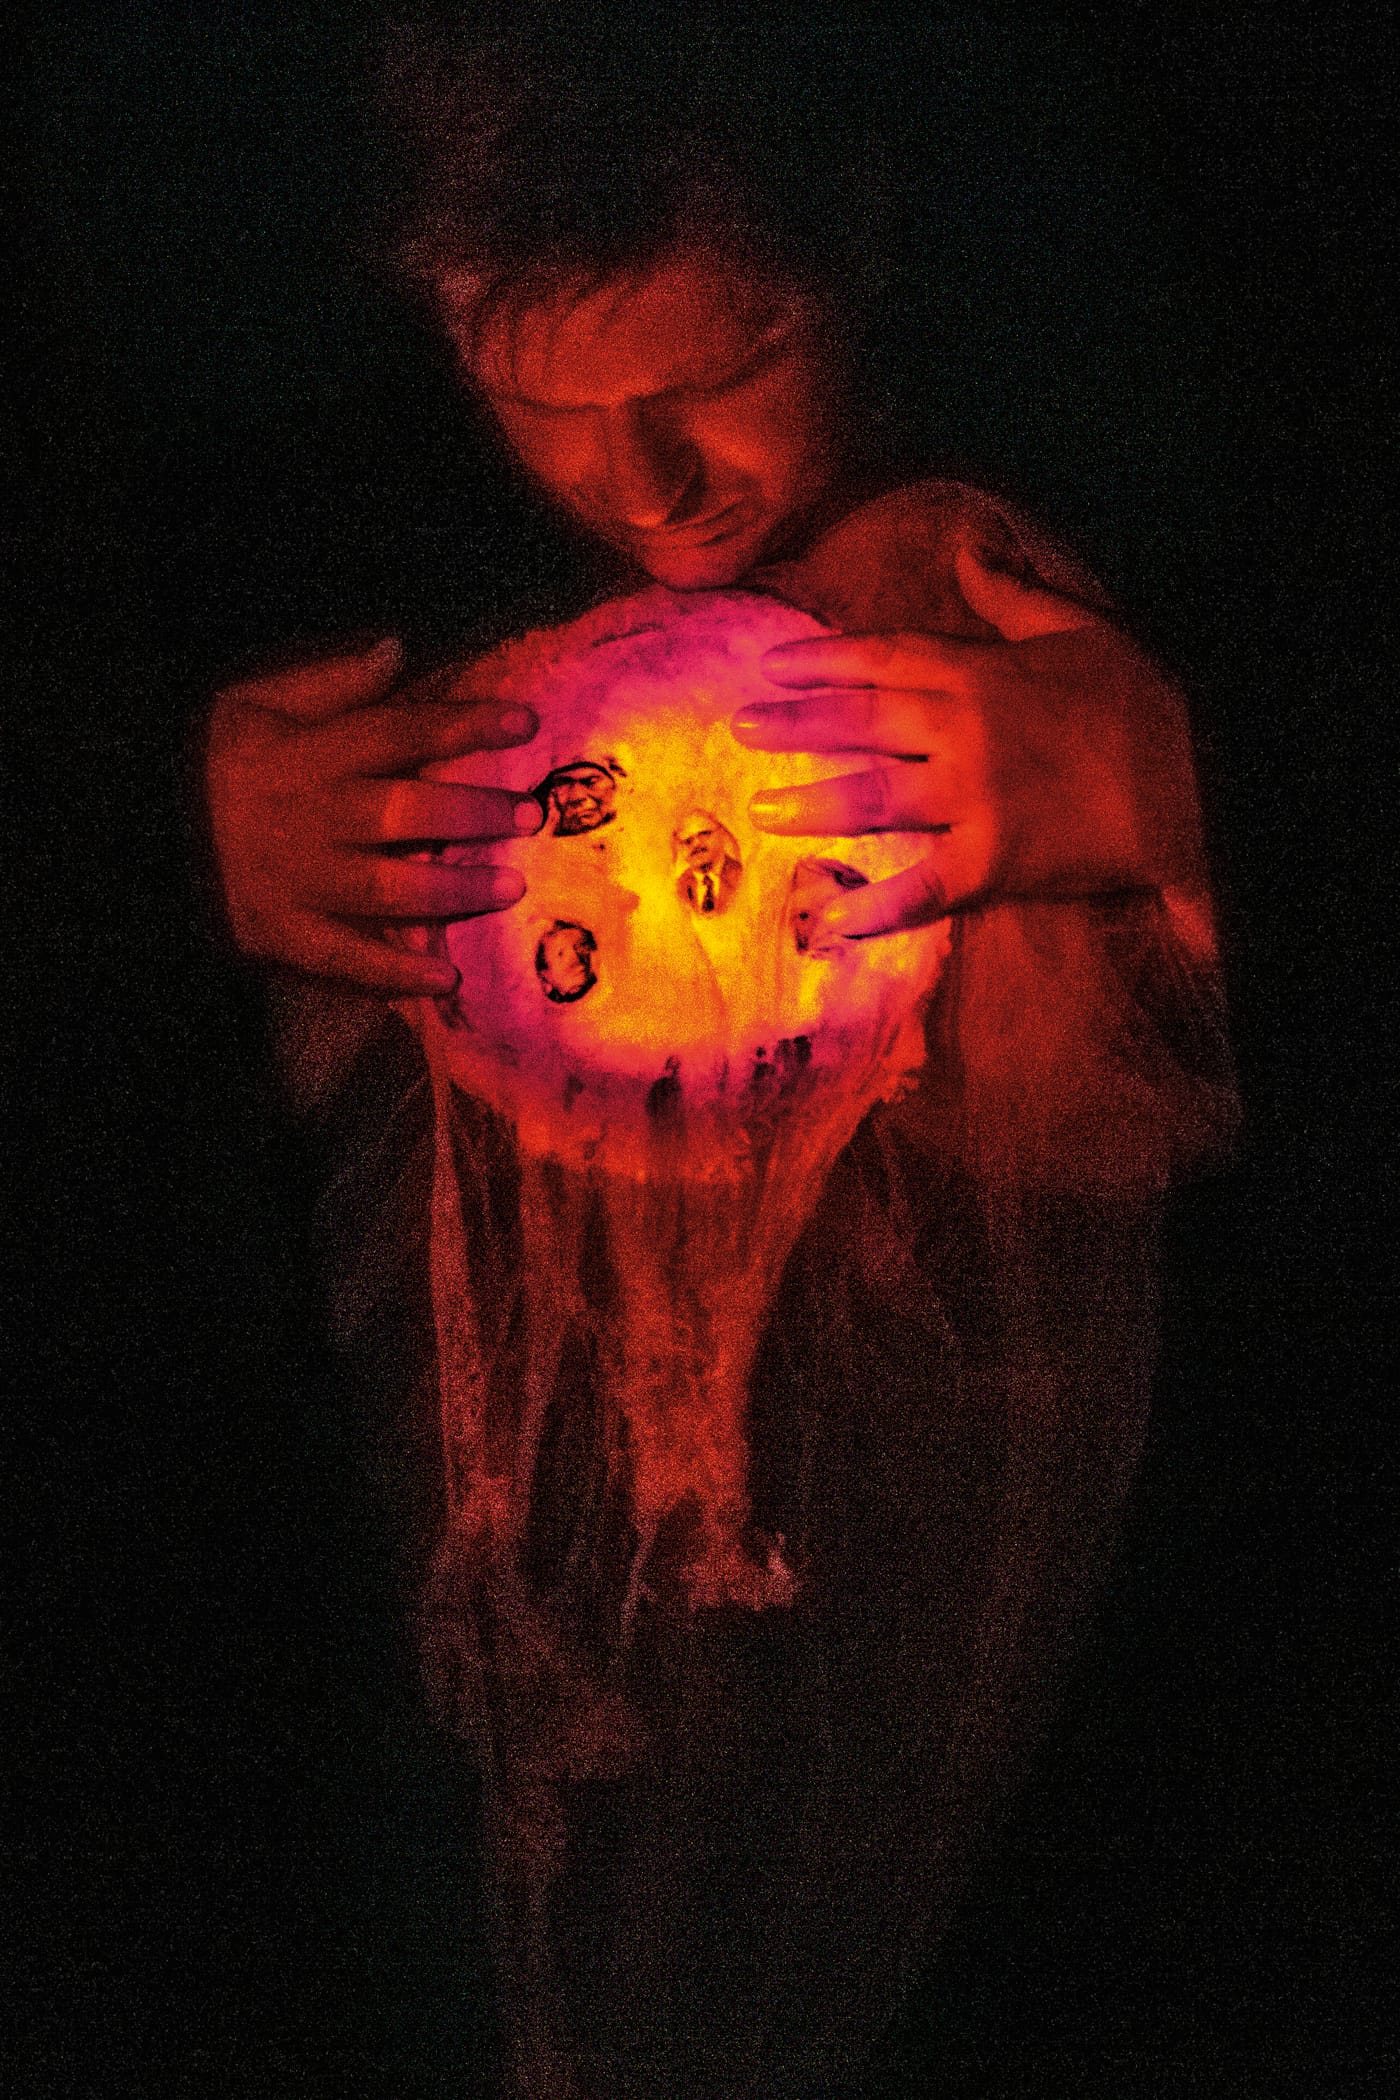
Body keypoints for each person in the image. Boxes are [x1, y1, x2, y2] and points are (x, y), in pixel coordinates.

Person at [202, 17, 1237, 2094]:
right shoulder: (370, 594)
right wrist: (185, 848)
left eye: (725, 367)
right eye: (542, 397)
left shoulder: (1063, 554)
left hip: (1060, 1725)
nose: (649, 482)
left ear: (858, 249)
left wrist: (1167, 791)